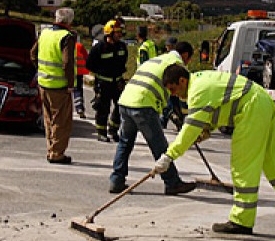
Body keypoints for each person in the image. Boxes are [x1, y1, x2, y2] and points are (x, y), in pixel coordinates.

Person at [154, 65, 275, 235]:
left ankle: (242, 220)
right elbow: (219, 108)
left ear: (182, 80)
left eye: (173, 89)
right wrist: (206, 131)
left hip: (251, 108)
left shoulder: (197, 91)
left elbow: (188, 131)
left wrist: (168, 156)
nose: (173, 94)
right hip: (261, 101)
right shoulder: (201, 81)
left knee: (243, 165)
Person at [109, 41, 197, 195]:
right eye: (188, 59)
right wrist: (186, 118)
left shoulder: (157, 59)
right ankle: (172, 183)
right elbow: (180, 93)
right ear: (185, 56)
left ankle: (116, 180)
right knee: (159, 146)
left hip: (126, 101)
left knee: (125, 142)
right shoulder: (176, 65)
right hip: (144, 105)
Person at [31, 7, 76, 165]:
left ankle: (51, 149)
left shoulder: (45, 33)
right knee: (61, 121)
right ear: (69, 21)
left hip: (43, 83)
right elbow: (67, 63)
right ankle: (57, 153)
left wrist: (40, 69)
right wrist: (70, 84)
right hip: (59, 85)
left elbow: (32, 53)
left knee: (48, 119)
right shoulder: (67, 37)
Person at [86, 19, 128, 142]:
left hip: (118, 82)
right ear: (109, 33)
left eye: (120, 32)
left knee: (121, 107)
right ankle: (101, 132)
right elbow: (89, 65)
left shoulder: (122, 46)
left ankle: (113, 130)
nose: (120, 34)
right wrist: (100, 73)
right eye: (117, 32)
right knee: (103, 109)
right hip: (103, 83)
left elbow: (124, 60)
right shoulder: (99, 48)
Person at [74, 36, 89, 119]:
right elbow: (87, 57)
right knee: (78, 89)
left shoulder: (65, 45)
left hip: (67, 72)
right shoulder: (79, 46)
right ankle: (79, 108)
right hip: (79, 72)